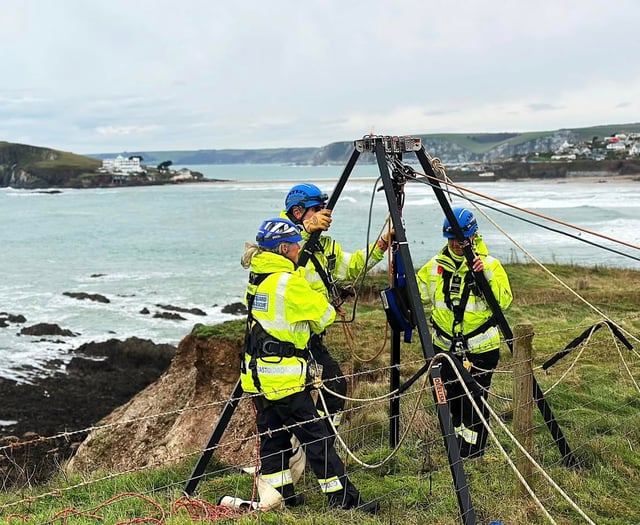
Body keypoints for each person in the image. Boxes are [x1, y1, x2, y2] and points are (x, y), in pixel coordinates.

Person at [239, 217, 379, 514]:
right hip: (284, 378)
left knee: (273, 437)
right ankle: (344, 500)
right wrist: (326, 300)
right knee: (317, 438)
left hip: (257, 377)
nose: (300, 248)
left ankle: (282, 495)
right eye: (297, 245)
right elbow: (324, 315)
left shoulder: (257, 279)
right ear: (285, 248)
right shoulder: (289, 283)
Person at [281, 183, 393, 434]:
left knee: (334, 389)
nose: (324, 214)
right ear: (297, 212)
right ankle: (310, 447)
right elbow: (272, 262)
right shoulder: (280, 239)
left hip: (310, 338)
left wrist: (383, 243)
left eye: (324, 208)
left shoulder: (325, 245)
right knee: (291, 401)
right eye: (317, 209)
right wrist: (305, 231)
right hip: (283, 339)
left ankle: (323, 443)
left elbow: (354, 266)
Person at [416, 208, 512, 458]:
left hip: (481, 349)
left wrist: (483, 279)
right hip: (445, 349)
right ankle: (461, 444)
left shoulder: (490, 265)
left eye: (462, 239)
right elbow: (418, 295)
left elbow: (504, 301)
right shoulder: (434, 266)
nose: (457, 245)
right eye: (452, 240)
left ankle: (475, 450)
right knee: (452, 398)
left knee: (474, 400)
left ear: (473, 236)